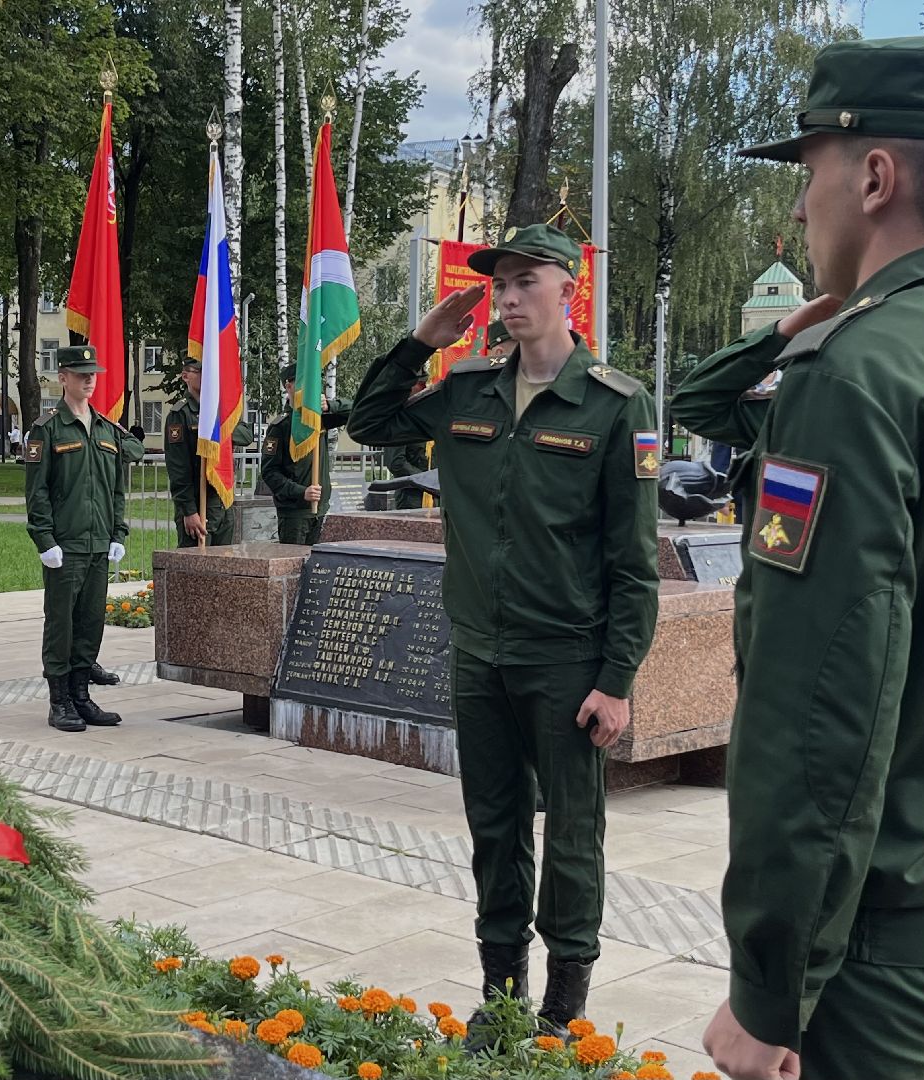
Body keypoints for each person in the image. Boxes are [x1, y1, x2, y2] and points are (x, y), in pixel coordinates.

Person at [668, 38, 924, 1080]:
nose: (801, 211)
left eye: (809, 175)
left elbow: (823, 710)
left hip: (884, 961)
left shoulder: (859, 376)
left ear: (873, 177)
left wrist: (770, 988)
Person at [347, 224, 659, 1043]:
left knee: (571, 834)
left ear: (568, 290)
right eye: (500, 285)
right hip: (479, 653)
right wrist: (420, 342)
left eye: (526, 282)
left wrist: (617, 677)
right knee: (494, 826)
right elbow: (369, 423)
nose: (510, 297)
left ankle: (564, 1007)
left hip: (567, 660)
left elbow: (634, 562)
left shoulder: (615, 405)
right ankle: (503, 992)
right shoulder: (469, 390)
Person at [24, 346, 129, 733]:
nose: (89, 379)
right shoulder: (47, 428)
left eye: (93, 373)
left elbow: (116, 488)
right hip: (64, 546)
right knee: (61, 625)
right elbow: (37, 491)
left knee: (91, 622)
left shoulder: (106, 428)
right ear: (62, 377)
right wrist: (44, 539)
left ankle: (82, 695)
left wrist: (118, 531)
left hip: (99, 543)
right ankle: (60, 701)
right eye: (80, 373)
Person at [164, 357, 254, 546]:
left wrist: (216, 426)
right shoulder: (180, 413)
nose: (208, 377)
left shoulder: (223, 410)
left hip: (222, 501)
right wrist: (188, 511)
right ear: (185, 376)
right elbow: (178, 468)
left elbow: (246, 436)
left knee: (222, 567)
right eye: (201, 372)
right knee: (194, 569)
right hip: (198, 504)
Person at [261, 366, 352, 545]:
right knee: (293, 568)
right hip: (295, 513)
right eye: (303, 382)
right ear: (289, 386)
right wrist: (301, 492)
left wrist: (330, 405)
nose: (310, 387)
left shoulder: (319, 418)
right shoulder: (281, 426)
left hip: (321, 509)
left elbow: (354, 411)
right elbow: (270, 473)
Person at [381, 378, 430, 511]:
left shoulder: (428, 418)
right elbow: (396, 463)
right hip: (411, 495)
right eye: (422, 386)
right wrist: (426, 479)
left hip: (435, 493)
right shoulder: (399, 419)